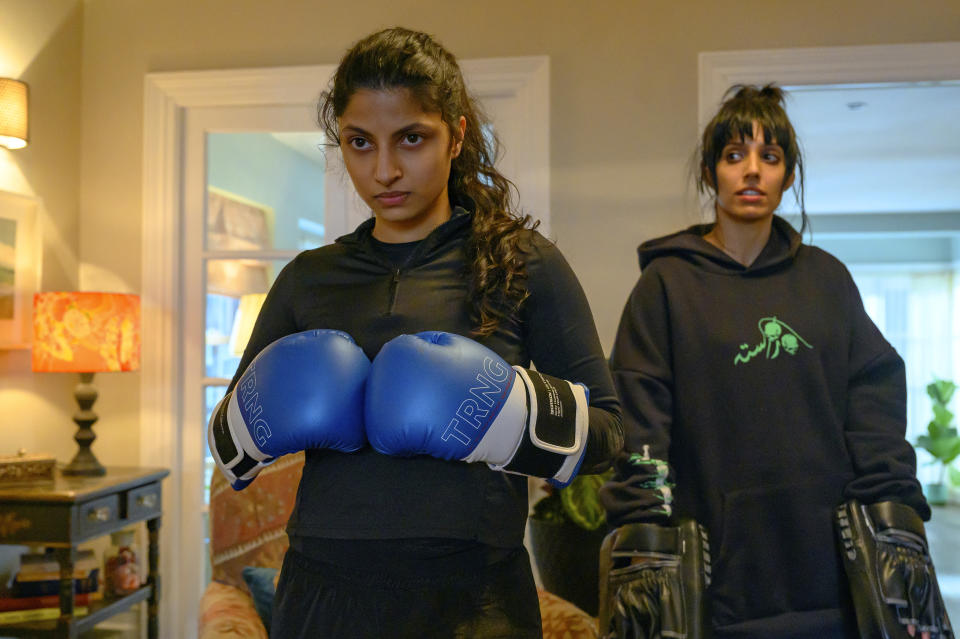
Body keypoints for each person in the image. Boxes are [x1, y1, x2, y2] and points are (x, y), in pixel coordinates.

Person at [207, 27, 622, 639]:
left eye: (411, 138)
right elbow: (228, 449)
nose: (384, 170)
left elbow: (610, 433)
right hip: (321, 595)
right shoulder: (307, 278)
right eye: (359, 142)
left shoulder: (522, 262)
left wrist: (506, 412)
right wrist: (265, 410)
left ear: (455, 135)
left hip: (473, 599)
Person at [599, 85, 946, 639]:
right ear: (712, 173)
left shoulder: (827, 280)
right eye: (734, 156)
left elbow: (874, 398)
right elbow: (641, 415)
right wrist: (643, 523)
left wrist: (892, 508)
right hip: (712, 582)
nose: (752, 171)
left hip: (832, 577)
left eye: (770, 156)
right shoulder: (665, 285)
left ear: (787, 176)